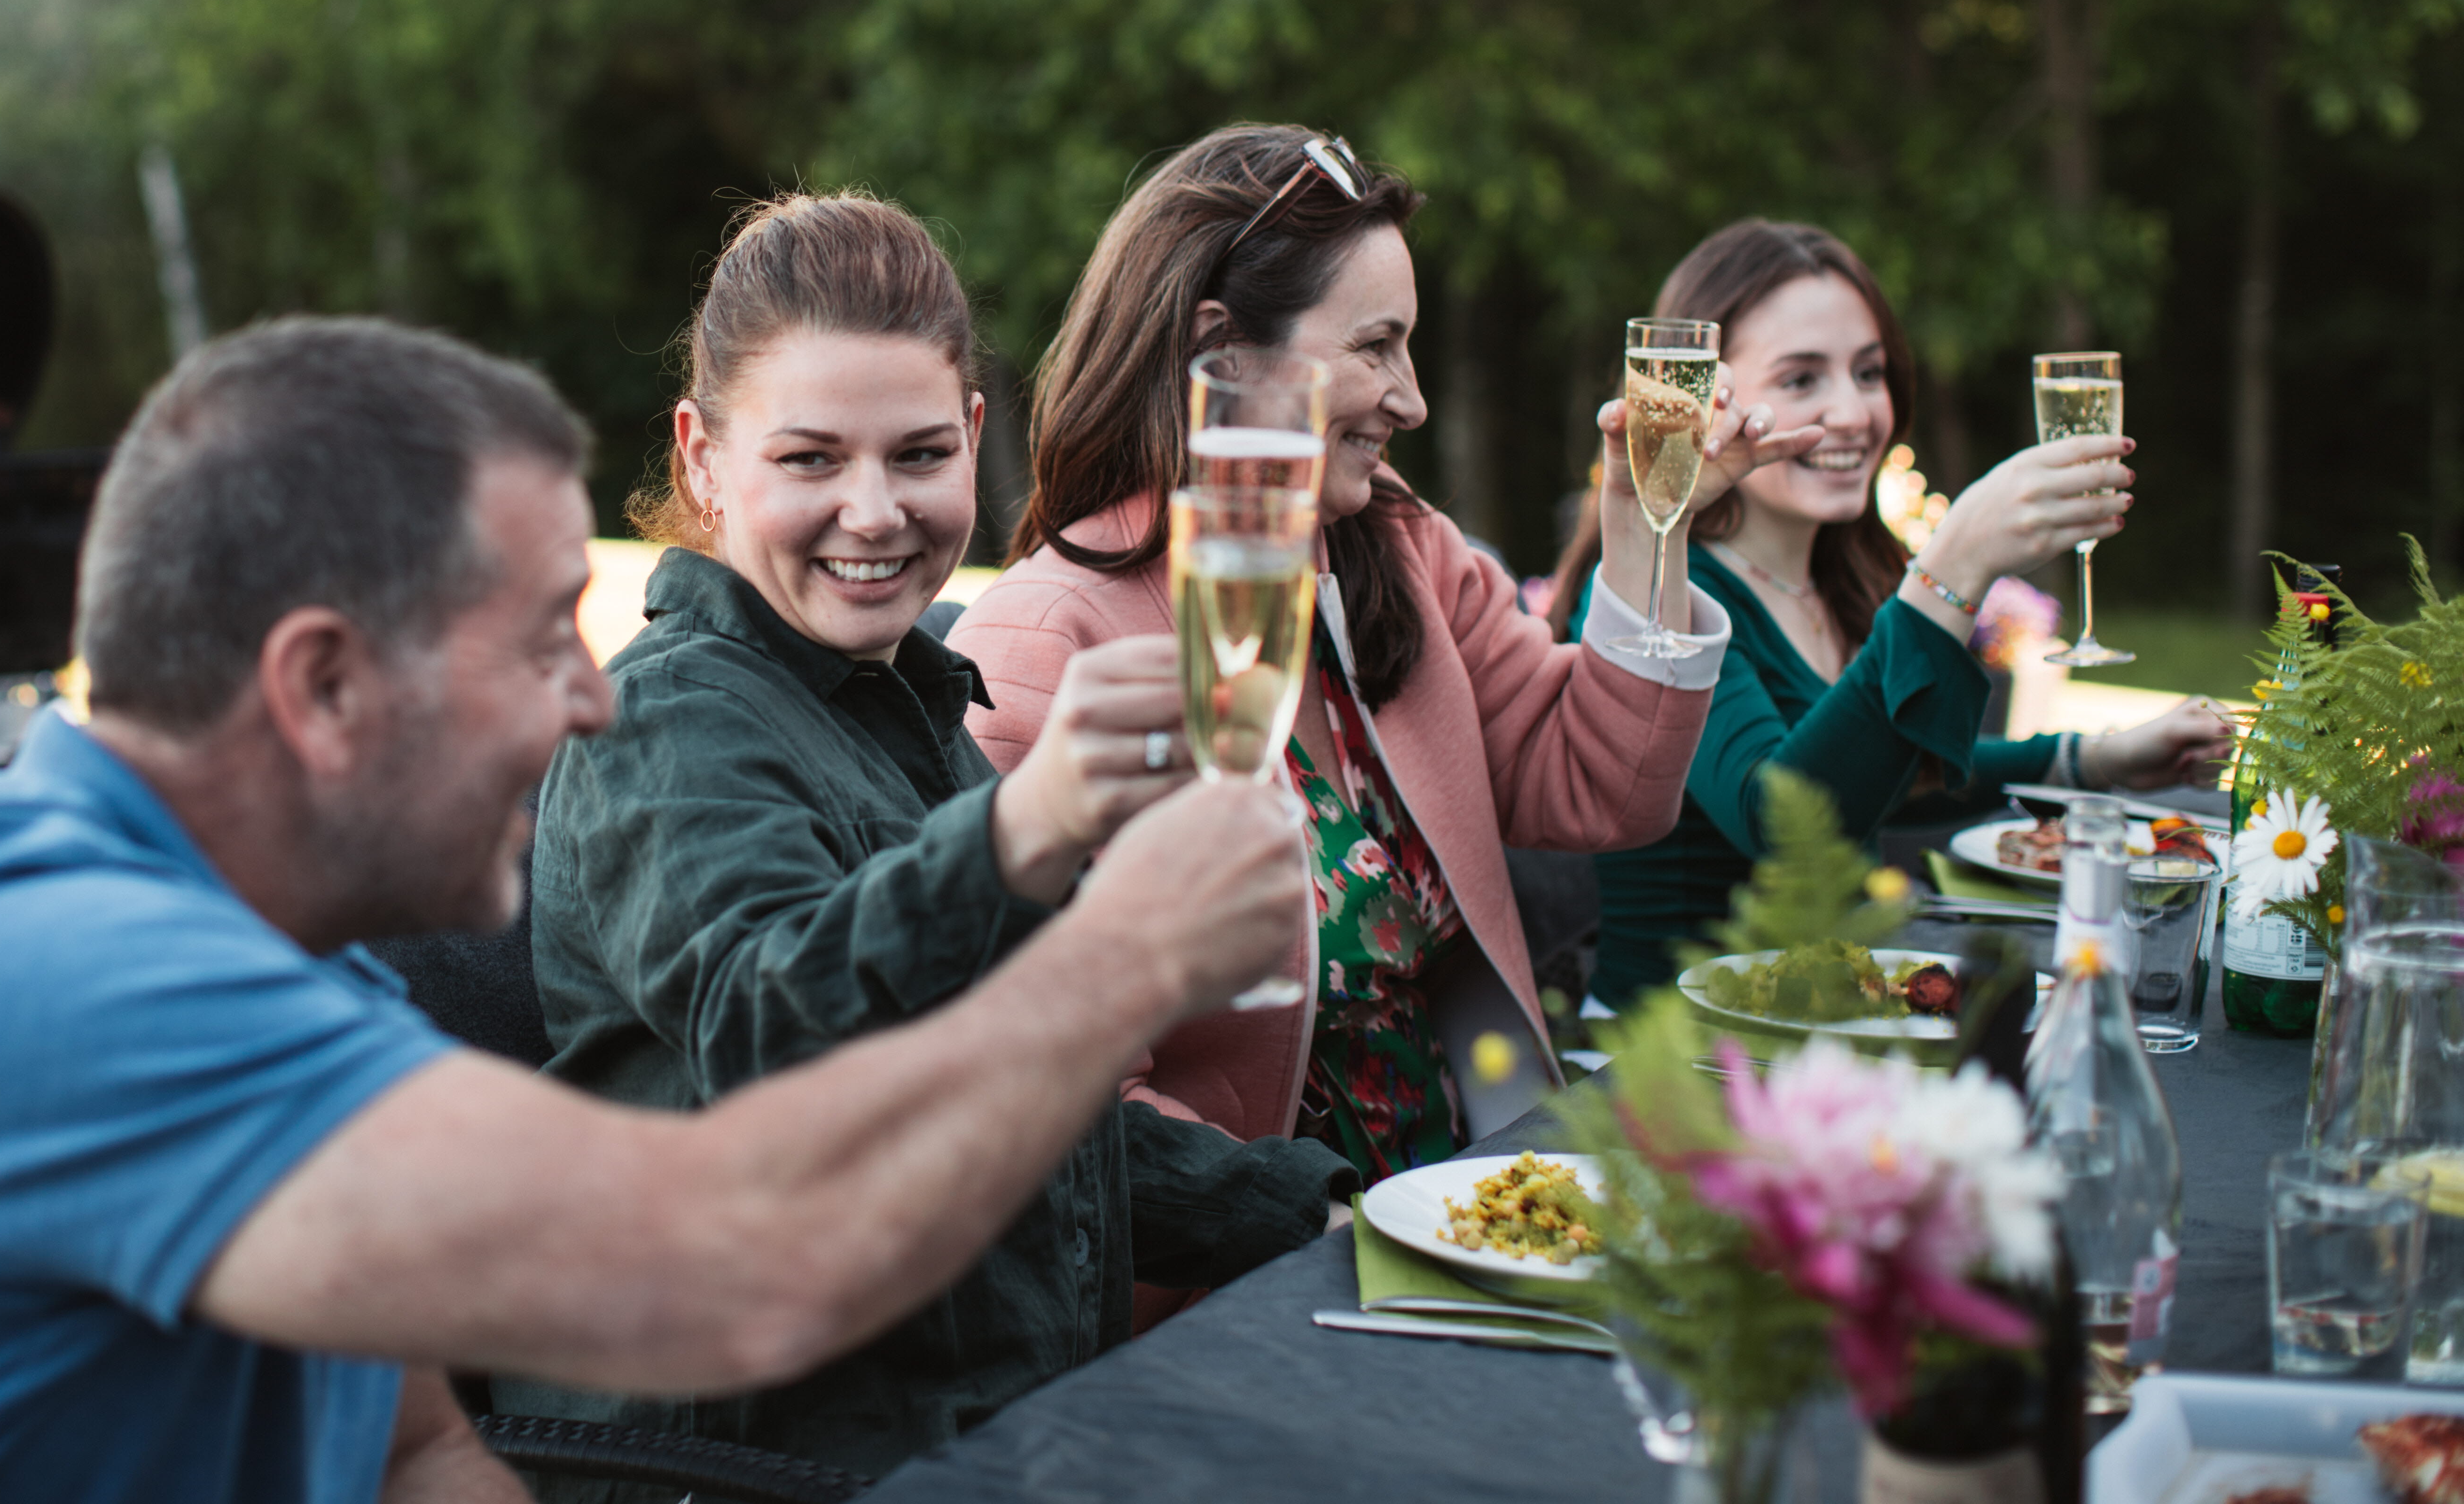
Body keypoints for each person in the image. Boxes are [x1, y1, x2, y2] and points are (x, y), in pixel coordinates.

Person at [0, 317, 1307, 1504]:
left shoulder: (298, 983)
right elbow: (744, 1264)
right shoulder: (47, 979)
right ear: (325, 686)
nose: (593, 705)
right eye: (545, 638)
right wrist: (1124, 956)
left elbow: (421, 1453)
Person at [497, 195, 1350, 1491]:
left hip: (991, 1429)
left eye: (916, 455)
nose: (875, 511)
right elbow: (771, 1037)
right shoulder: (662, 720)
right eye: (809, 461)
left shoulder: (918, 703)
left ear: (975, 442)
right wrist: (1032, 825)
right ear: (700, 461)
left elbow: (1021, 1105)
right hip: (752, 1457)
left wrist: (1314, 1216)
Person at [954, 125, 1818, 1197]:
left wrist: (1647, 516)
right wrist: (1301, 1231)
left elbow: (1599, 784)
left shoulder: (1396, 550)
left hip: (1477, 1189)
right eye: (1375, 347)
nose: (1410, 398)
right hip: (1238, 1277)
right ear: (1220, 350)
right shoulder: (1045, 641)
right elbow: (1069, 1095)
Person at [1543, 219, 2233, 1007]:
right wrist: (1949, 570)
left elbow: (1885, 771)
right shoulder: (1655, 597)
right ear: (1708, 398)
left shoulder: (1837, 576)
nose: (1853, 411)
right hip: (1672, 1059)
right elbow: (1786, 822)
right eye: (1803, 379)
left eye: (1868, 373)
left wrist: (2089, 763)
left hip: (1824, 1020)